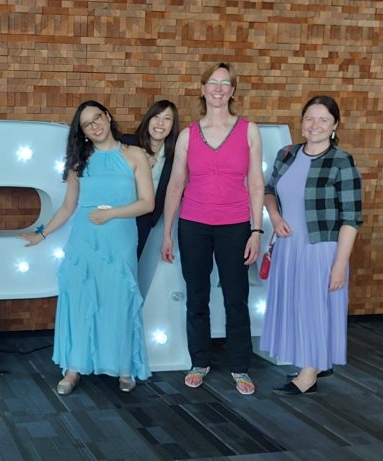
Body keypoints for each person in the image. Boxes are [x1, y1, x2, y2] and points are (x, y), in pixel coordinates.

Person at [20, 100, 154, 395]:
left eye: (97, 118)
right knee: (81, 302)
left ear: (107, 116)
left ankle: (124, 365)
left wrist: (111, 213)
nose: (95, 126)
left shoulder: (135, 156)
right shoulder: (79, 163)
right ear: (82, 132)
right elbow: (68, 207)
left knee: (119, 300)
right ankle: (73, 368)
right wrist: (41, 234)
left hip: (119, 238)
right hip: (84, 240)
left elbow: (147, 203)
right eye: (87, 124)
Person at [161, 62, 265, 395]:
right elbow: (176, 184)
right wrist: (167, 232)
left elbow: (256, 183)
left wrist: (256, 230)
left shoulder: (249, 130)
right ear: (203, 89)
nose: (218, 89)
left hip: (235, 226)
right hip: (193, 226)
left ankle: (239, 367)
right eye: (213, 83)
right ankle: (199, 362)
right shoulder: (188, 135)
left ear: (232, 91)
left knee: (237, 298)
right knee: (197, 297)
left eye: (225, 83)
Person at [261, 95, 363, 395]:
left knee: (314, 308)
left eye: (323, 120)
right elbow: (269, 191)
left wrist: (340, 265)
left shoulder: (341, 161)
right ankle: (311, 360)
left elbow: (351, 218)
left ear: (334, 126)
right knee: (296, 306)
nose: (314, 125)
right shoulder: (287, 154)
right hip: (288, 246)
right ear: (302, 121)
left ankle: (308, 376)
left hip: (321, 248)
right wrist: (275, 216)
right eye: (309, 118)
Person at [122, 100, 180, 258]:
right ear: (148, 120)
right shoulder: (127, 143)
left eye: (167, 119)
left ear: (172, 126)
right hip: (118, 215)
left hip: (146, 220)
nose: (160, 123)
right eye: (156, 116)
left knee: (132, 265)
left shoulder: (175, 157)